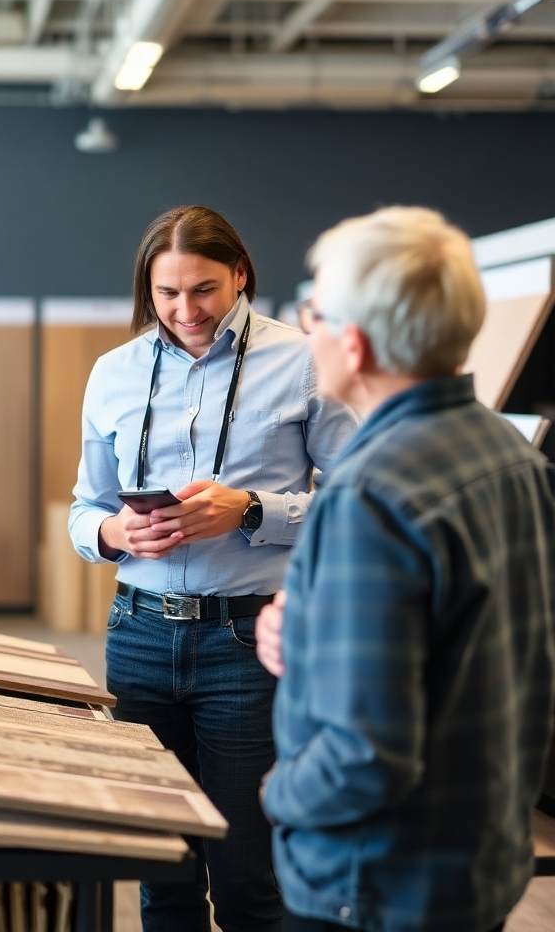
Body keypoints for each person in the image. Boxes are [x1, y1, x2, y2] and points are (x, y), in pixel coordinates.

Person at [255, 206, 555, 932]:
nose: (305, 328)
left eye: (313, 312)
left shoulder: (370, 493)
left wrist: (278, 792)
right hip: (473, 858)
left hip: (373, 883)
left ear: (353, 344)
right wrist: (316, 631)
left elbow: (365, 758)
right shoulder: (510, 454)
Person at [69, 205, 359, 932]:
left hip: (248, 643)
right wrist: (114, 532)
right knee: (161, 870)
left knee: (246, 877)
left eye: (202, 289)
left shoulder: (303, 361)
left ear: (239, 275)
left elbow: (361, 503)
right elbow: (84, 510)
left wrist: (255, 510)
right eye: (167, 293)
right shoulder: (113, 374)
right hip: (136, 635)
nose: (185, 310)